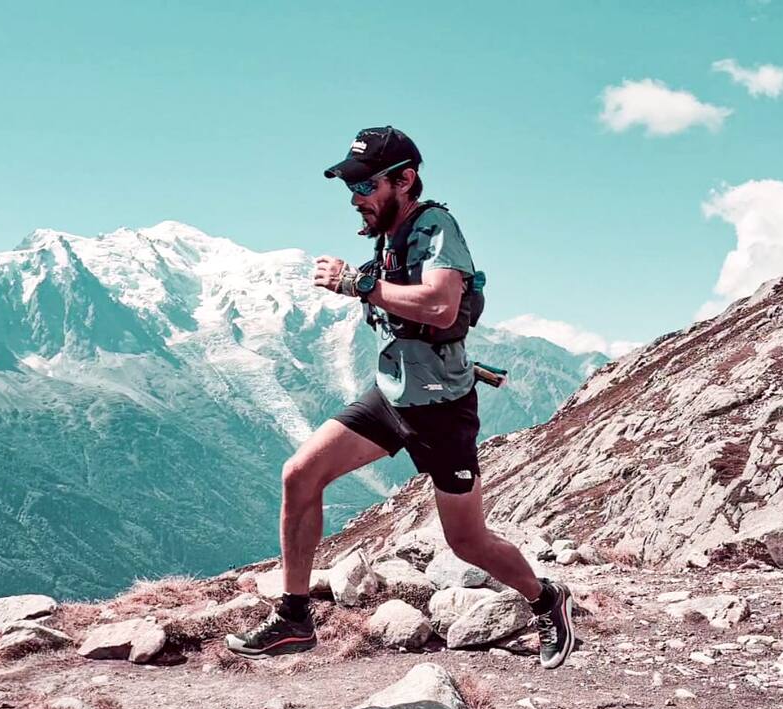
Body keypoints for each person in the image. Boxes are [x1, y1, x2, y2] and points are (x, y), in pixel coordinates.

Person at [226, 126, 576, 669]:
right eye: (351, 188)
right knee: (300, 474)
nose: (355, 199)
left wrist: (357, 285)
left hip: (441, 410)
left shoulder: (436, 227)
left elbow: (439, 306)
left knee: (467, 543)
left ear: (404, 180)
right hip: (392, 396)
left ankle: (546, 600)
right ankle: (295, 617)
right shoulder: (390, 237)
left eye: (365, 186)